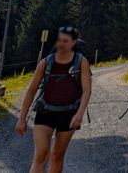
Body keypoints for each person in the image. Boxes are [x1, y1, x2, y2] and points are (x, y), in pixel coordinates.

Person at [16, 26, 92, 173]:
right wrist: (22, 118)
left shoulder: (82, 62)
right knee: (40, 155)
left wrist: (79, 114)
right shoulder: (46, 62)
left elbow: (87, 91)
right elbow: (31, 91)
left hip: (69, 114)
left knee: (57, 155)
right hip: (45, 112)